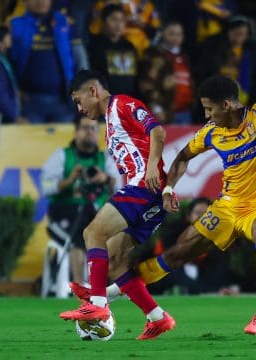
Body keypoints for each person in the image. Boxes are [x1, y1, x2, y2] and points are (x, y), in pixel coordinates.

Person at [138, 54, 256, 334]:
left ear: (226, 105)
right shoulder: (211, 132)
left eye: (208, 109)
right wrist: (168, 188)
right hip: (227, 208)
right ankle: (111, 293)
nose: (206, 116)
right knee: (179, 251)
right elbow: (181, 158)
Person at [59, 69, 176, 340]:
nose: (79, 108)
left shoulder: (122, 104)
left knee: (92, 233)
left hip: (143, 187)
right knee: (114, 260)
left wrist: (151, 169)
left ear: (93, 91)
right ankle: (158, 318)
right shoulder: (109, 123)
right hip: (151, 195)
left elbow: (157, 131)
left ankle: (97, 305)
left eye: (79, 101)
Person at [41, 115, 121, 284]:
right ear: (76, 131)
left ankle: (111, 285)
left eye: (94, 129)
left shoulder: (104, 158)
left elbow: (119, 188)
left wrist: (105, 179)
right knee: (81, 236)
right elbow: (46, 187)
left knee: (118, 234)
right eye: (85, 128)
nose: (90, 132)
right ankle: (81, 289)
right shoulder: (62, 156)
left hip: (94, 212)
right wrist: (68, 181)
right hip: (64, 213)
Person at [9, 0, 75, 123]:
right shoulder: (15, 25)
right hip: (30, 101)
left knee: (64, 141)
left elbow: (74, 57)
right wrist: (15, 89)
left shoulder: (63, 23)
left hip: (62, 99)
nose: (41, 1)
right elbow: (9, 62)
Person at [88, 4, 138, 96]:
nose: (118, 24)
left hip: (129, 100)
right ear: (104, 22)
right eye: (114, 19)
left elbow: (135, 77)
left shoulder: (129, 46)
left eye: (121, 20)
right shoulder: (95, 45)